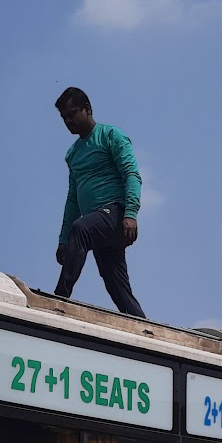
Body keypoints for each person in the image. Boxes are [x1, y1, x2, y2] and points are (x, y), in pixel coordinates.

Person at [53, 88, 145, 318]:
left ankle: (59, 298)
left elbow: (132, 175)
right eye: (64, 117)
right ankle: (145, 329)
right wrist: (63, 240)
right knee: (118, 289)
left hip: (115, 214)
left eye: (72, 114)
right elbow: (72, 199)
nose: (68, 121)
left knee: (81, 228)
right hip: (96, 226)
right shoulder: (73, 154)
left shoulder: (111, 135)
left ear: (87, 109)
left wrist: (130, 214)